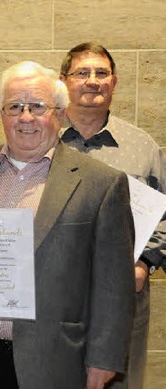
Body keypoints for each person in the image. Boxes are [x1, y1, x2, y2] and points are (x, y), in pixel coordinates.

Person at [0, 61, 135, 389]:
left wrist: (104, 359)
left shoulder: (101, 184)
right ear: (1, 115)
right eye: (14, 106)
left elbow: (114, 284)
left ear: (61, 114)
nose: (25, 117)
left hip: (54, 360)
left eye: (37, 106)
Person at [59, 42, 166, 389]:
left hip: (125, 294)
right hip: (57, 296)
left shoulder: (143, 146)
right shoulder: (42, 140)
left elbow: (164, 212)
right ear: (63, 82)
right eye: (82, 73)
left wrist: (145, 262)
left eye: (101, 73)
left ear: (114, 82)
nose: (93, 81)